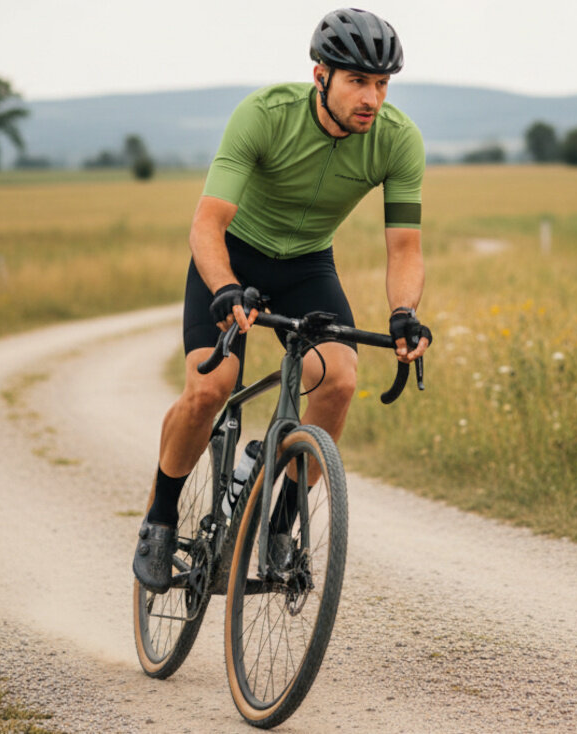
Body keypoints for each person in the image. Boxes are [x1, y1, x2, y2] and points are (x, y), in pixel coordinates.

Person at [133, 7, 432, 593]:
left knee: (340, 380)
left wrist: (404, 314)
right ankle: (160, 518)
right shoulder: (264, 115)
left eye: (381, 83)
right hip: (233, 258)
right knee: (210, 387)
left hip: (307, 265)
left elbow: (405, 249)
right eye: (357, 81)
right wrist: (222, 288)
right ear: (320, 74)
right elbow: (207, 223)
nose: (371, 97)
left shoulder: (398, 140)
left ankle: (280, 524)